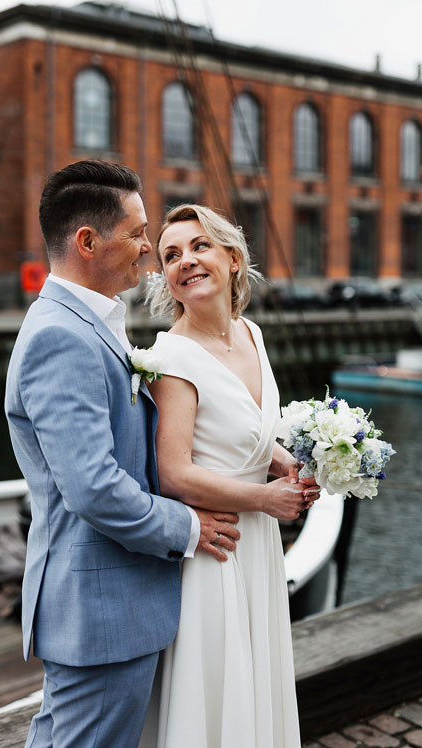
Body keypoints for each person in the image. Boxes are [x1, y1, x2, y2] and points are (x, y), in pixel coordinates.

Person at [5, 161, 242, 748]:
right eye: (138, 233)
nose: (146, 250)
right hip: (100, 610)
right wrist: (187, 526)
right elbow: (93, 487)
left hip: (111, 607)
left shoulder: (90, 324)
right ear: (88, 241)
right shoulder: (62, 337)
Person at [138, 204, 318, 748]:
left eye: (199, 247)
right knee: (217, 685)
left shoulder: (251, 334)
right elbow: (174, 473)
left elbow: (245, 430)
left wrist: (282, 459)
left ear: (233, 259)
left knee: (257, 671)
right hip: (219, 544)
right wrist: (265, 498)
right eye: (171, 255)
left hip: (260, 540)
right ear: (166, 277)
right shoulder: (171, 357)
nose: (185, 261)